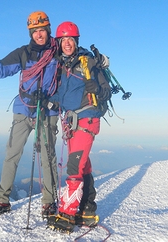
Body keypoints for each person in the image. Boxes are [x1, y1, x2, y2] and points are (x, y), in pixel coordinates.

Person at [0, 11, 60, 217]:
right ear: (30, 33)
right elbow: (0, 70)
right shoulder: (23, 53)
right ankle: (2, 200)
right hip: (24, 110)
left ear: (48, 30)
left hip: (48, 110)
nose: (39, 35)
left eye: (42, 30)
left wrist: (95, 60)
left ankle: (49, 202)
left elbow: (75, 55)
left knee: (48, 158)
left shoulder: (58, 51)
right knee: (12, 155)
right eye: (35, 31)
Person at [45, 21, 112, 233]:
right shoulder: (63, 66)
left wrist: (98, 89)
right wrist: (49, 99)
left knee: (74, 167)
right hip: (72, 122)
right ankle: (88, 210)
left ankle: (67, 214)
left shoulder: (88, 62)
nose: (67, 43)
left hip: (87, 119)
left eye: (70, 40)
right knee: (83, 165)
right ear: (59, 42)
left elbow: (106, 92)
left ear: (76, 41)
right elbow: (64, 95)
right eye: (63, 40)